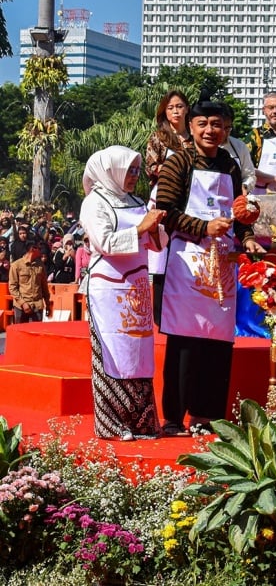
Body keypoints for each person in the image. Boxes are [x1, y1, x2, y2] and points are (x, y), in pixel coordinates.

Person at [155, 98, 264, 436]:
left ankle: (209, 415)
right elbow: (165, 210)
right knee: (185, 343)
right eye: (203, 124)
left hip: (223, 264)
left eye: (216, 125)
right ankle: (175, 416)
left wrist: (246, 238)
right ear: (191, 126)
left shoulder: (231, 166)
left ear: (225, 129)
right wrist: (204, 228)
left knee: (217, 343)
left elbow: (240, 213)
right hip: (188, 263)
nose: (209, 131)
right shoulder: (178, 163)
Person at [79, 146, 168, 441]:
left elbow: (156, 245)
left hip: (137, 285)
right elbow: (104, 242)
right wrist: (143, 227)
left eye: (136, 171)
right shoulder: (95, 202)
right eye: (128, 171)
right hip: (107, 287)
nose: (133, 176)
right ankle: (112, 424)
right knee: (112, 355)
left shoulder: (136, 201)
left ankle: (142, 422)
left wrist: (155, 229)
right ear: (112, 170)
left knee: (139, 355)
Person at [145, 90, 191, 325]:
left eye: (180, 106)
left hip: (192, 199)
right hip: (164, 197)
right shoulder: (159, 137)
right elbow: (151, 167)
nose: (176, 111)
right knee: (162, 254)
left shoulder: (194, 136)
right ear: (165, 111)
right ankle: (160, 314)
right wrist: (178, 172)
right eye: (171, 107)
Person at [8, 240, 52, 323]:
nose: (42, 251)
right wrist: (23, 303)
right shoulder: (16, 266)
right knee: (20, 333)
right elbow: (12, 288)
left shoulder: (40, 265)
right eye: (40, 248)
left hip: (37, 306)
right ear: (33, 249)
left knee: (36, 333)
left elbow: (44, 287)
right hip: (21, 307)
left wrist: (48, 304)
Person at [221, 105, 257, 194]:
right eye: (219, 127)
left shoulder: (239, 146)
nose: (223, 132)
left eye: (227, 128)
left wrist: (245, 186)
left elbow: (249, 175)